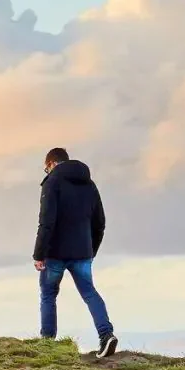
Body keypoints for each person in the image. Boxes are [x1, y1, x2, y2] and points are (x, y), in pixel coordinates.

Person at [33, 147, 117, 358]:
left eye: (46, 168)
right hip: (83, 251)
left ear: (51, 164)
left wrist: (38, 254)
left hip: (55, 252)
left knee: (48, 294)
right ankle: (106, 335)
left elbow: (46, 222)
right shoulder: (89, 184)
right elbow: (100, 223)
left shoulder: (52, 183)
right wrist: (91, 250)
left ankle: (48, 343)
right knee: (89, 293)